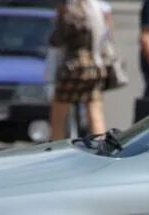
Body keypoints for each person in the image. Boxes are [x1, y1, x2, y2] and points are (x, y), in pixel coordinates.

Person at [48, 0, 108, 141]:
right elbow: (105, 35)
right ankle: (101, 146)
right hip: (95, 66)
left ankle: (56, 148)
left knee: (59, 112)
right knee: (94, 110)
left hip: (73, 67)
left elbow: (58, 39)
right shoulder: (97, 7)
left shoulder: (68, 7)